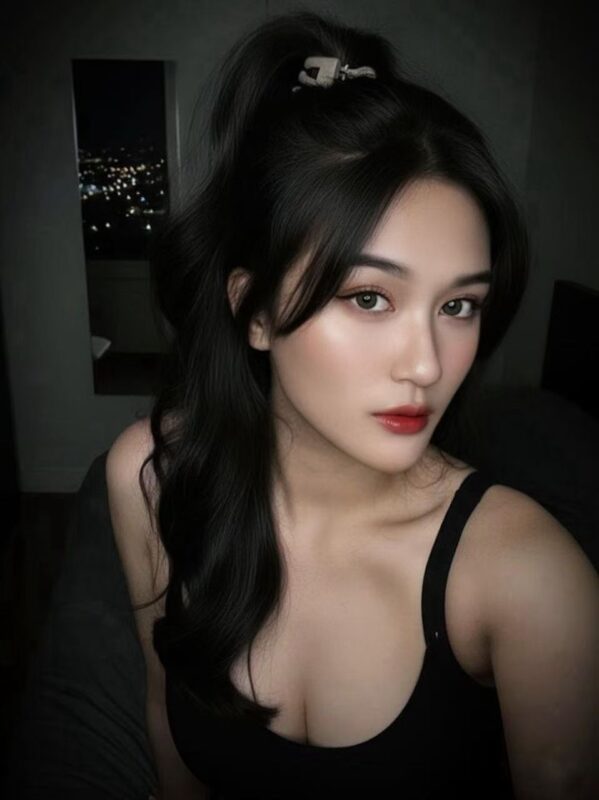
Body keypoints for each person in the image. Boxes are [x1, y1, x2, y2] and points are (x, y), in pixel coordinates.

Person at [105, 10, 599, 800]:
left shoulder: (528, 577)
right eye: (369, 297)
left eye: (458, 306)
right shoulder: (152, 477)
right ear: (254, 310)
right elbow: (166, 717)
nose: (426, 364)